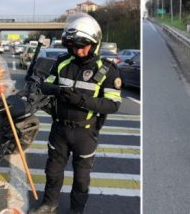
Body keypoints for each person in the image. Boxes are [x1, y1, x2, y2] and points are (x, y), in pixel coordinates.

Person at [29, 13, 122, 214]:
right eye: (73, 46)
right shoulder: (62, 62)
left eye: (82, 46)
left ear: (94, 43)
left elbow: (113, 104)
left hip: (85, 133)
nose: (78, 51)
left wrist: (80, 100)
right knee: (52, 172)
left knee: (81, 178)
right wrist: (57, 90)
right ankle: (49, 203)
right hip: (59, 128)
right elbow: (45, 86)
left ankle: (76, 210)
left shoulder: (106, 70)